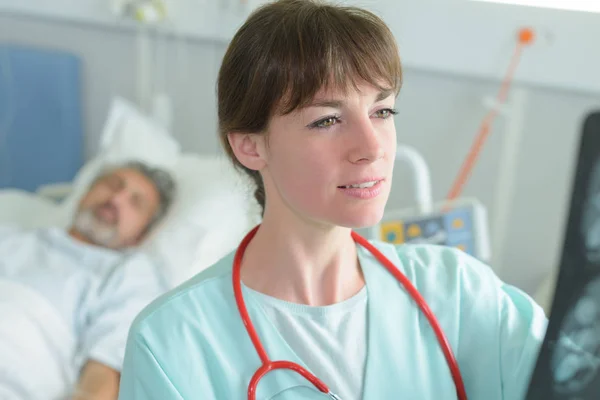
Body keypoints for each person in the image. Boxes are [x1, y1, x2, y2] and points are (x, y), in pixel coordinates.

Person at [118, 1, 548, 399]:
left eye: (382, 112)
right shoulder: (172, 342)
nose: (371, 147)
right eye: (327, 120)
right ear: (251, 146)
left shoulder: (457, 293)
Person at [0, 161, 176, 400]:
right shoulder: (11, 237)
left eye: (135, 202)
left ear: (140, 234)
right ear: (84, 195)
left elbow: (104, 374)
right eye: (112, 185)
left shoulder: (129, 275)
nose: (116, 199)